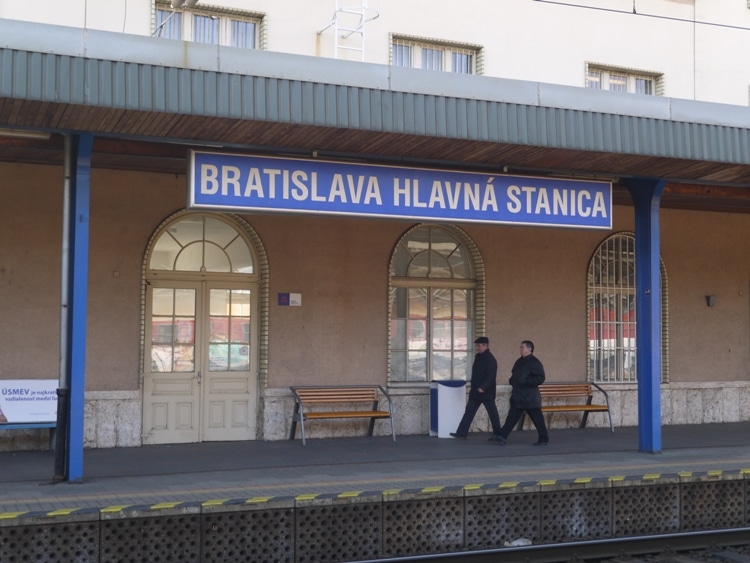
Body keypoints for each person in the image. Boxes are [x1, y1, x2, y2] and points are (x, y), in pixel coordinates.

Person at [494, 340, 549, 446]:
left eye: (522, 347)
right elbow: (515, 374)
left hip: (530, 397)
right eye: (520, 347)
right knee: (512, 417)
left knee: (537, 419)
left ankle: (543, 438)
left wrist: (526, 382)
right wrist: (512, 380)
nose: (520, 349)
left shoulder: (534, 362)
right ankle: (502, 435)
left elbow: (540, 378)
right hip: (519, 396)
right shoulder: (519, 361)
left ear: (529, 349)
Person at [450, 336, 502, 440]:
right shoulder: (478, 357)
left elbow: (491, 376)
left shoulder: (490, 359)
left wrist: (483, 387)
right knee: (469, 411)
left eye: (479, 345)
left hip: (485, 392)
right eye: (477, 345)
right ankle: (461, 432)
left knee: (492, 414)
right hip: (476, 391)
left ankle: (498, 434)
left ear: (485, 346)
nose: (477, 348)